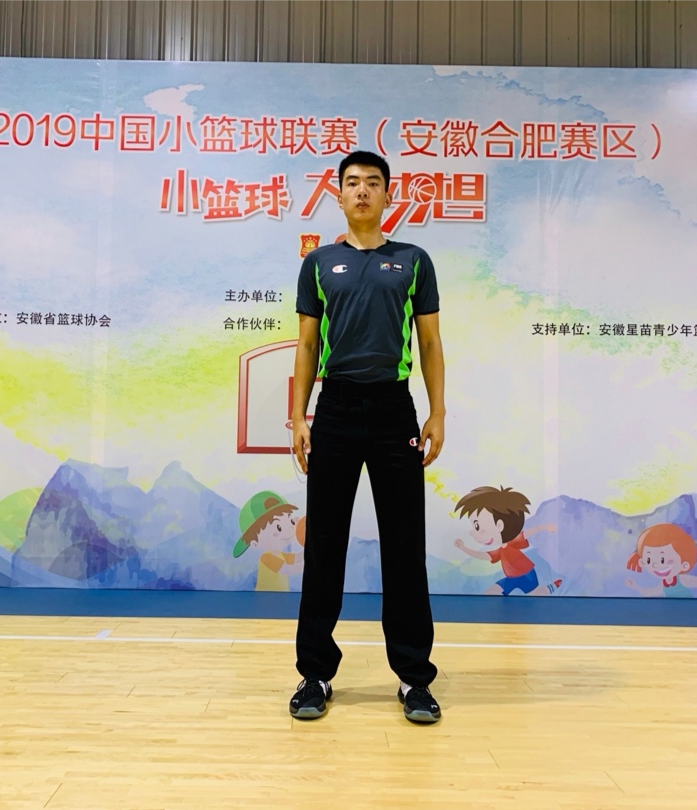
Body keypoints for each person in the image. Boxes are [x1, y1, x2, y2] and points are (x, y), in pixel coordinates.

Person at [288, 150, 446, 724]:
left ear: (387, 194)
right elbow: (307, 345)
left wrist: (437, 412)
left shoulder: (413, 261)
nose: (362, 191)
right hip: (333, 411)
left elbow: (429, 343)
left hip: (393, 411)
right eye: (352, 183)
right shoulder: (318, 263)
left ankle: (413, 679)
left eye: (372, 183)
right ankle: (315, 675)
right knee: (324, 546)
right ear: (338, 196)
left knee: (404, 546)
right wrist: (299, 417)